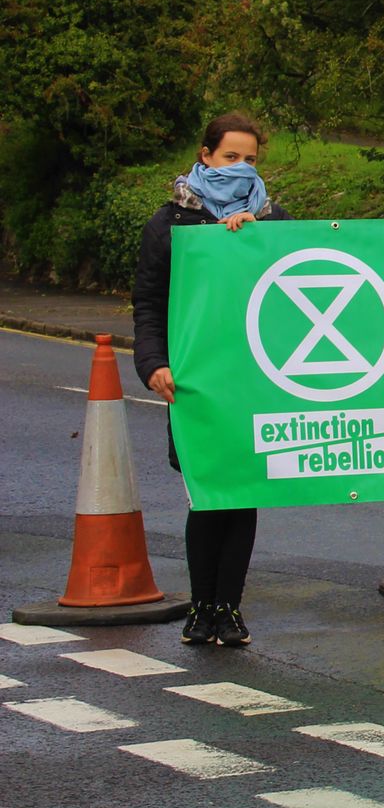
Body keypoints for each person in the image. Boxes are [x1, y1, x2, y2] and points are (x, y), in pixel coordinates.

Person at [132, 111, 290, 646]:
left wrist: (256, 241)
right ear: (205, 156)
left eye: (250, 160)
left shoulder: (273, 221)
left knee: (241, 493)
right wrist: (153, 364)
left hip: (254, 379)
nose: (241, 168)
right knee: (207, 495)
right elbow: (149, 304)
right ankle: (201, 609)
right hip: (196, 382)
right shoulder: (169, 223)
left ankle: (230, 609)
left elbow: (299, 280)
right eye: (230, 157)